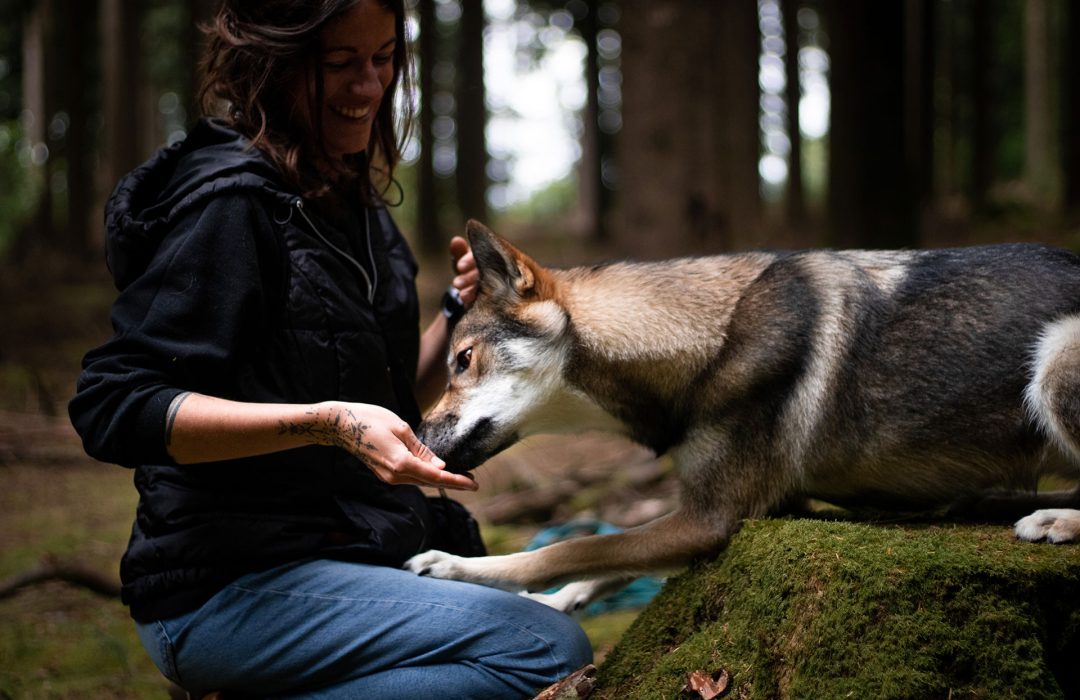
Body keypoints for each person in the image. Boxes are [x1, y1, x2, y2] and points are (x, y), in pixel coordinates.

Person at [68, 0, 592, 697]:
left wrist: (454, 315)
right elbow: (114, 404)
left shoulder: (356, 206)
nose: (369, 86)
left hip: (349, 552)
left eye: (383, 58)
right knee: (540, 646)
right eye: (340, 63)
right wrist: (328, 424)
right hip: (225, 586)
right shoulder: (232, 206)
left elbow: (377, 392)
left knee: (536, 618)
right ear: (274, 68)